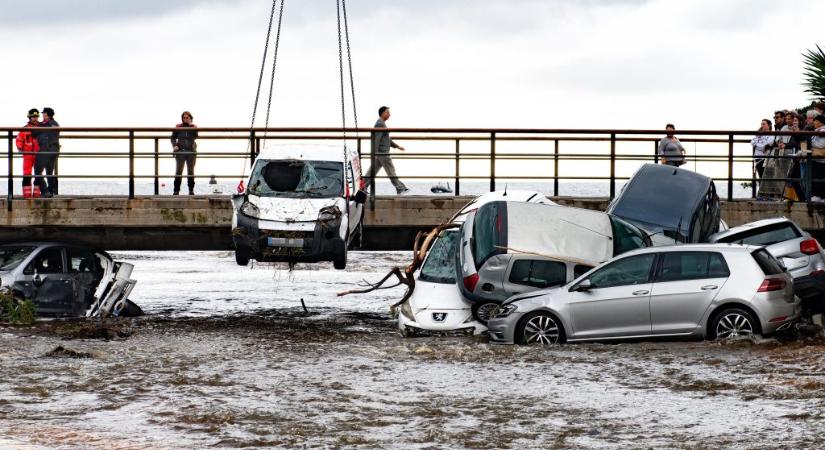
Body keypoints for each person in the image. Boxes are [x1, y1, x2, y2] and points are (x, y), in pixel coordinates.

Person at [364, 106, 409, 194]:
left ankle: (362, 187)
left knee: (372, 171)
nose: (389, 115)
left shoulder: (381, 123)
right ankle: (400, 188)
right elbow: (376, 139)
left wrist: (397, 146)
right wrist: (375, 153)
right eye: (388, 112)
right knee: (391, 170)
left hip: (380, 153)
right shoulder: (380, 124)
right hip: (382, 153)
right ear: (383, 113)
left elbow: (387, 139)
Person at [33, 107, 60, 197]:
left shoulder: (44, 124)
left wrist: (38, 125)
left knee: (37, 170)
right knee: (49, 172)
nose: (42, 114)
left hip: (46, 149)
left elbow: (33, 134)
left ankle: (45, 191)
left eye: (43, 113)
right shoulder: (56, 124)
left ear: (46, 114)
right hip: (55, 150)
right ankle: (51, 191)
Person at [171, 111, 198, 195]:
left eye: (187, 117)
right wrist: (175, 145)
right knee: (178, 172)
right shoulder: (178, 127)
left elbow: (196, 136)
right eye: (184, 118)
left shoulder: (194, 127)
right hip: (180, 151)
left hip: (191, 151)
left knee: (191, 172)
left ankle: (191, 190)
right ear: (182, 118)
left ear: (190, 118)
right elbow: (172, 137)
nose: (185, 119)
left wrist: (191, 126)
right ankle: (176, 191)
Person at [15, 109, 40, 196]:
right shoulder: (24, 129)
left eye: (36, 116)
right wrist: (19, 147)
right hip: (27, 155)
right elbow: (19, 139)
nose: (35, 118)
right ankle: (27, 195)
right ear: (29, 117)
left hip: (39, 155)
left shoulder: (42, 128)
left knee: (38, 174)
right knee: (26, 174)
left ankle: (37, 194)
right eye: (33, 117)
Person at [810, 114, 825, 201]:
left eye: (815, 121)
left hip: (822, 160)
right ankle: (817, 196)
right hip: (816, 159)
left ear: (820, 122)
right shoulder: (816, 130)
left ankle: (821, 196)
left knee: (820, 178)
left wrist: (811, 145)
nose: (814, 123)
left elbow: (821, 145)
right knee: (816, 178)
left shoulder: (822, 130)